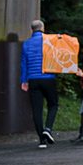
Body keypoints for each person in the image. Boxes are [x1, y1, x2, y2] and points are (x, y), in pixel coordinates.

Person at [20, 19, 58, 149]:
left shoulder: (26, 44)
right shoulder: (49, 41)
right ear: (42, 28)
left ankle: (42, 140)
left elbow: (23, 63)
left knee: (37, 110)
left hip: (33, 79)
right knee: (53, 104)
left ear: (32, 29)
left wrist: (24, 81)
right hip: (48, 77)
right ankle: (48, 128)